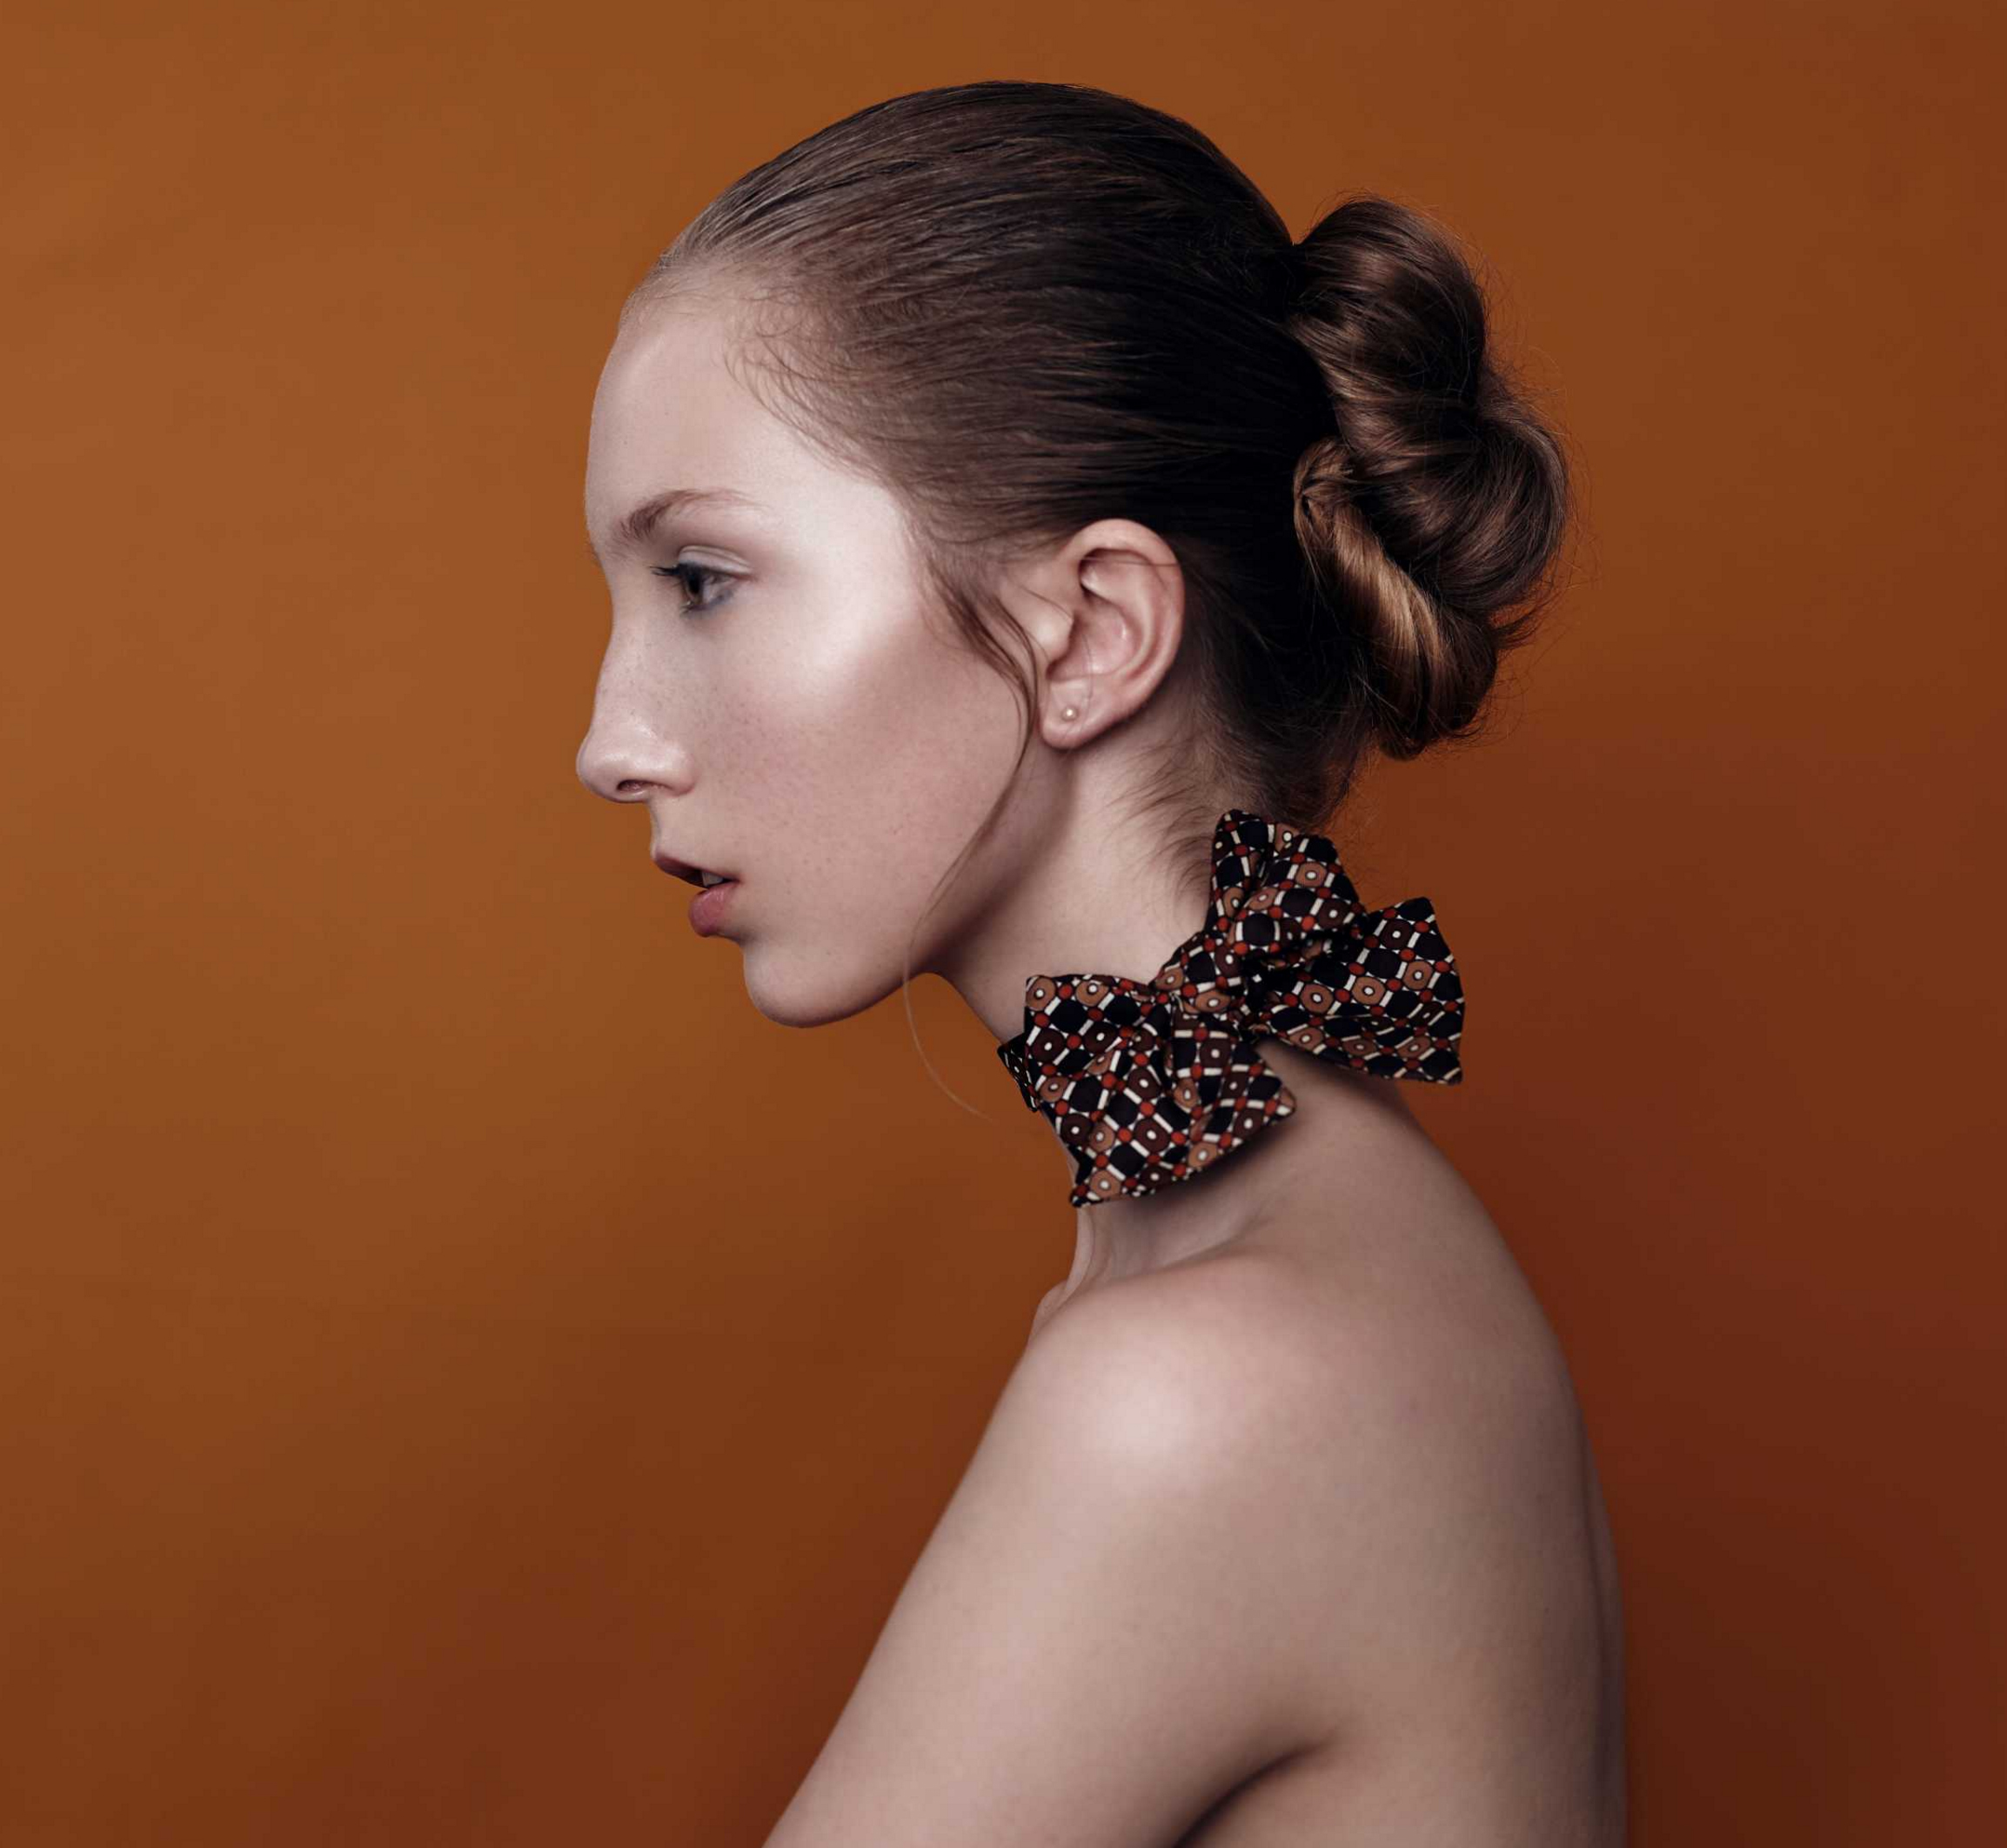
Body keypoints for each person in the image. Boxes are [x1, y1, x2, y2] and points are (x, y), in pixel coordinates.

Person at [576, 78, 1623, 1847]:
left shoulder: (1209, 1384)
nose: (611, 742)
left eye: (701, 580)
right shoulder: (1284, 1258)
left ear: (1088, 635)